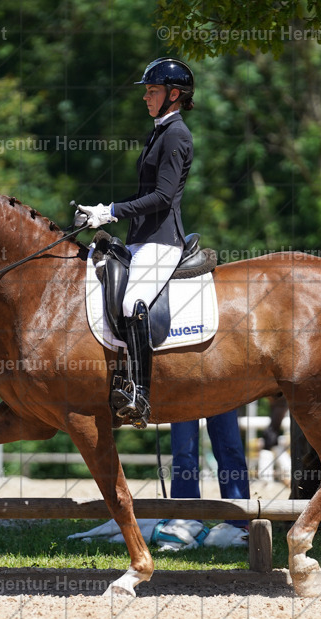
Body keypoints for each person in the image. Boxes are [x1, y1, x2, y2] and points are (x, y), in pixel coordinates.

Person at [77, 57, 195, 428]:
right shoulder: (159, 131)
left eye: (153, 91)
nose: (146, 98)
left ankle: (139, 393)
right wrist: (99, 213)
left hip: (162, 240)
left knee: (132, 302)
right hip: (142, 239)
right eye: (146, 91)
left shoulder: (177, 135)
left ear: (174, 95)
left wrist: (111, 210)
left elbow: (162, 197)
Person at [171, 410, 250, 530]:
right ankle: (185, 522)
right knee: (184, 454)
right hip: (183, 393)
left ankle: (239, 522)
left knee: (232, 449)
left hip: (223, 392)